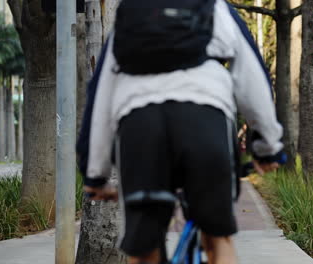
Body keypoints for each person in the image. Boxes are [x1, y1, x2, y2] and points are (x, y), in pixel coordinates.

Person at [76, 0, 284, 263]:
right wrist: (268, 147)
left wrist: (95, 174)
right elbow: (253, 82)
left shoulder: (128, 15)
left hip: (141, 127)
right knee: (218, 238)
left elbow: (101, 99)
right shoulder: (217, 8)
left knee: (144, 249)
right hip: (204, 122)